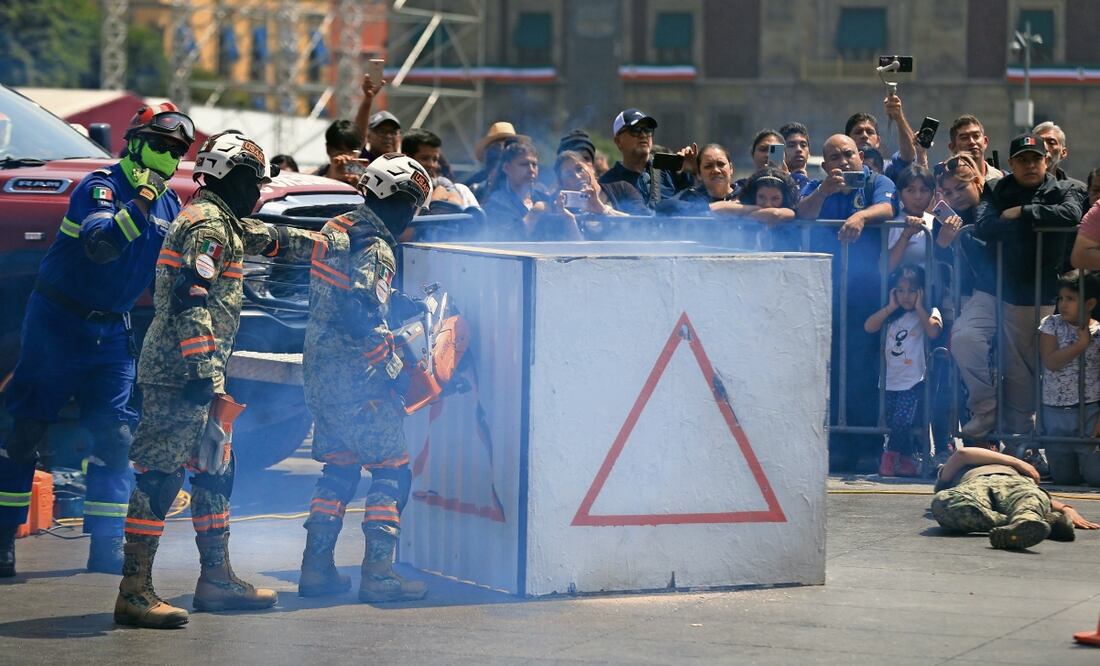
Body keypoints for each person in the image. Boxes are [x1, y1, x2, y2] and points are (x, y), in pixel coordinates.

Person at [0, 103, 195, 578]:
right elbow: (102, 245)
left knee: (115, 436)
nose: (169, 155)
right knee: (26, 432)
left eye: (178, 150)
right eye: (161, 144)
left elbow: (171, 273)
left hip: (112, 331)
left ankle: (105, 546)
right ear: (136, 141)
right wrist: (142, 202)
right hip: (58, 325)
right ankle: (3, 540)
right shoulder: (100, 186)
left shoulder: (171, 203)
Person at [114, 130, 282, 628]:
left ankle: (216, 579)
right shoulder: (207, 225)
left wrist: (332, 237)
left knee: (214, 472)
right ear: (228, 178)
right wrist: (206, 375)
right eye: (253, 180)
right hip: (182, 375)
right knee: (160, 476)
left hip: (199, 372)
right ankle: (134, 591)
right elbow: (193, 299)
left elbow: (266, 236)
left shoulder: (219, 220)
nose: (258, 191)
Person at [269, 154, 435, 603]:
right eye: (412, 205)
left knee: (339, 470)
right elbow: (360, 310)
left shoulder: (337, 227)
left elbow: (344, 290)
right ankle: (380, 575)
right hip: (359, 380)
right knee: (392, 471)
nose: (411, 217)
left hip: (321, 376)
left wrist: (395, 300)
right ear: (399, 201)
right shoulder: (377, 247)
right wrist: (397, 371)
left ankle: (316, 570)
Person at [952, 134, 1086, 441]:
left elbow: (1071, 215)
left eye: (1035, 159)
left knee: (1019, 372)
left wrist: (1022, 213)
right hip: (992, 287)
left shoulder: (1066, 189)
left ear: (1046, 161)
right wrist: (1027, 222)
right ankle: (985, 408)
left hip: (1032, 295)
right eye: (1022, 160)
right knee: (964, 338)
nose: (1030, 165)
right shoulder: (998, 188)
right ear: (1011, 164)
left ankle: (1020, 440)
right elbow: (985, 224)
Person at [798, 134, 898, 472]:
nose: (843, 161)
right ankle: (838, 445)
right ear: (824, 164)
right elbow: (802, 214)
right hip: (827, 292)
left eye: (848, 154)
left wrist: (861, 217)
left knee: (864, 368)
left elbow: (888, 207)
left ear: (860, 155)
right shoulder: (818, 187)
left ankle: (867, 444)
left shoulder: (876, 181)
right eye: (835, 157)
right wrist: (824, 191)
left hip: (866, 292)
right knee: (833, 368)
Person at [931, 446, 1099, 550]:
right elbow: (963, 453)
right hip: (977, 484)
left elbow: (1035, 496)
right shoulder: (953, 468)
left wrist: (1066, 508)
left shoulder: (1013, 466)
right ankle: (1034, 523)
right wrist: (1017, 462)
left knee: (1030, 499)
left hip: (1015, 482)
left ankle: (1027, 522)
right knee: (944, 503)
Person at [864, 264, 943, 477]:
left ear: (922, 291)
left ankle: (888, 460)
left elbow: (934, 331)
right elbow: (869, 326)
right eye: (900, 290)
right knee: (893, 422)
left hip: (914, 380)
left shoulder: (928, 312)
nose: (906, 296)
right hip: (890, 380)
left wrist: (920, 307)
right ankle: (906, 461)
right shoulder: (891, 315)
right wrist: (890, 307)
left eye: (912, 290)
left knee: (902, 420)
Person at [1039, 270, 1100, 486]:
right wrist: (1080, 345)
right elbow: (1051, 362)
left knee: (1096, 477)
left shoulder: (1099, 331)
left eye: (1071, 299)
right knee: (1064, 477)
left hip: (1089, 411)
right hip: (1055, 410)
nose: (1063, 304)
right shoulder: (1051, 324)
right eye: (1061, 298)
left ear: (1089, 303)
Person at [598, 108, 695, 210]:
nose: (643, 135)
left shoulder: (669, 170)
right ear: (618, 141)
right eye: (635, 130)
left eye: (648, 130)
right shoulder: (607, 183)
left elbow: (696, 204)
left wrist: (693, 172)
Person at [482, 141, 577, 240]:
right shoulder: (496, 203)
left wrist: (569, 219)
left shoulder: (545, 198)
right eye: (524, 164)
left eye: (534, 165)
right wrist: (534, 214)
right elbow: (505, 241)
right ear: (507, 168)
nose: (531, 170)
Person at [401, 128, 481, 214]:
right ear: (407, 158)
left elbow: (456, 209)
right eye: (424, 158)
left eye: (435, 159)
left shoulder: (441, 184)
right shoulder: (392, 188)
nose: (431, 165)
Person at [554, 149, 643, 218]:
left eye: (579, 169)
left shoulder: (622, 189)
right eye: (569, 175)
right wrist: (569, 221)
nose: (577, 176)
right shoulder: (564, 208)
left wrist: (603, 210)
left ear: (591, 167)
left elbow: (646, 224)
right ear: (562, 183)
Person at [662, 143, 740, 216]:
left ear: (731, 168)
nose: (716, 170)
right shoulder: (692, 196)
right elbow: (664, 207)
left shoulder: (745, 193)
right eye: (708, 166)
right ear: (699, 173)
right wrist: (720, 207)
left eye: (721, 164)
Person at [736, 167, 801, 250]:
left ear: (785, 199)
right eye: (761, 197)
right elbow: (716, 208)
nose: (768, 204)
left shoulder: (789, 212)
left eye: (775, 198)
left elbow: (774, 214)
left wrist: (743, 214)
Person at [887, 165, 936, 272]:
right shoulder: (894, 224)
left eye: (924, 190)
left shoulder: (935, 221)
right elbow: (886, 267)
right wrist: (905, 236)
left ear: (932, 194)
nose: (918, 196)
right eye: (910, 190)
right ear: (900, 194)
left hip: (933, 287)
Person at [467, 121, 528, 201]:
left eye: (510, 145)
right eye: (496, 146)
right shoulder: (475, 187)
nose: (503, 150)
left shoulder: (529, 184)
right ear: (487, 151)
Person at [948, 115, 1004, 181]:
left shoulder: (1002, 179)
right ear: (952, 147)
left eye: (976, 136)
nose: (972, 142)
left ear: (985, 142)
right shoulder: (945, 182)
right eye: (964, 138)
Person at [314, 119, 365, 186]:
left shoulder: (366, 177)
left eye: (352, 152)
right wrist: (331, 178)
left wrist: (358, 187)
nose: (347, 158)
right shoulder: (314, 176)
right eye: (341, 152)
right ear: (328, 149)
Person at [731, 129, 783, 194]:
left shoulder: (795, 187)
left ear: (784, 156)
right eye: (763, 149)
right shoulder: (740, 188)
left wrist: (787, 180)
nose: (768, 155)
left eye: (774, 151)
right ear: (752, 154)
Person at [780, 122, 818, 194]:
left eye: (803, 145)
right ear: (781, 151)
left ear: (809, 152)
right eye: (791, 145)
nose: (799, 149)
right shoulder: (772, 186)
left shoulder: (818, 188)